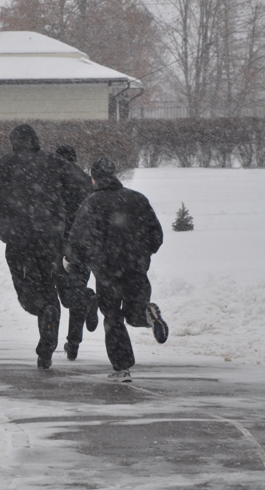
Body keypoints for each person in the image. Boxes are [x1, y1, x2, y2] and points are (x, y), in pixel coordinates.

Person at [0, 125, 88, 369]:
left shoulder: (4, 164)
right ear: (36, 140)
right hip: (50, 237)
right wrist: (62, 204)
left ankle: (43, 312)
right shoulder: (53, 162)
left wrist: (7, 206)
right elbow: (82, 184)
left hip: (17, 238)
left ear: (14, 142)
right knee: (50, 285)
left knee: (28, 290)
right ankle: (46, 347)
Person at [64, 157, 169, 383]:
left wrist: (75, 261)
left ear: (93, 177)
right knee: (134, 312)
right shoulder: (138, 199)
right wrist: (142, 254)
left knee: (113, 316)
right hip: (136, 267)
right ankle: (148, 316)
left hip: (107, 271)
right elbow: (156, 236)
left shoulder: (92, 203)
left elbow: (78, 239)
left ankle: (122, 368)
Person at [54, 145, 99, 362]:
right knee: (78, 289)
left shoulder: (52, 179)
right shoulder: (86, 180)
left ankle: (87, 299)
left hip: (63, 244)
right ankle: (73, 343)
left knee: (68, 296)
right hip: (86, 245)